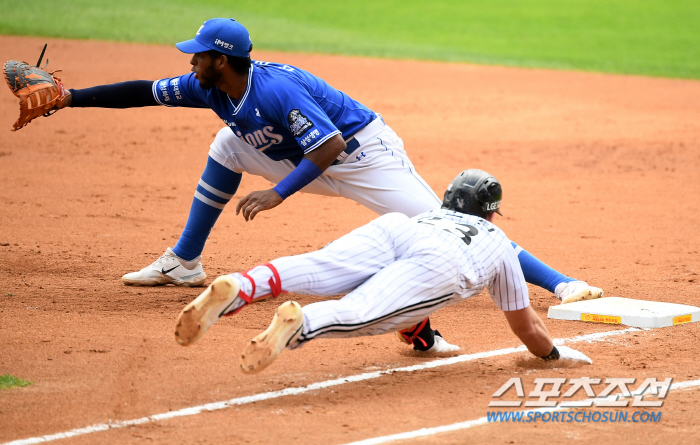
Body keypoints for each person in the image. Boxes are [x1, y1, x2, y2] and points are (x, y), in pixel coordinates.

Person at [57, 18, 599, 310]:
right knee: (227, 146)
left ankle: (562, 283)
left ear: (221, 60)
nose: (188, 60)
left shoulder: (274, 91)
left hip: (363, 155)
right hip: (302, 154)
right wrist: (69, 98)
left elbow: (331, 148)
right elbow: (142, 91)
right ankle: (184, 261)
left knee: (447, 224)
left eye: (197, 53)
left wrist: (278, 194)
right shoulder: (213, 87)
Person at [174, 169, 593, 373]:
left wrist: (426, 342)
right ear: (491, 212)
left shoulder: (429, 214)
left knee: (318, 265)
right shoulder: (499, 244)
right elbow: (527, 326)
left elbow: (414, 305)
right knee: (364, 310)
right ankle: (301, 323)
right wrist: (552, 354)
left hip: (397, 228)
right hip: (441, 261)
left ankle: (245, 285)